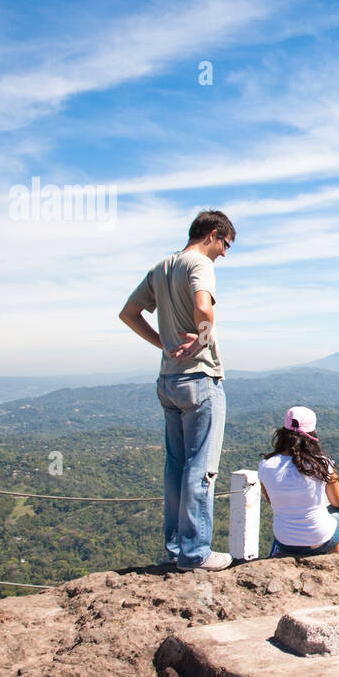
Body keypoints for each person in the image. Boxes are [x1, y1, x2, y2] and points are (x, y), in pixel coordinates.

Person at [119, 211, 235, 572]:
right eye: (226, 245)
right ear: (212, 234)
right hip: (199, 379)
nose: (225, 254)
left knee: (175, 466)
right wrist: (201, 342)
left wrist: (164, 344)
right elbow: (203, 307)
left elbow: (129, 313)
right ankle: (196, 552)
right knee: (201, 468)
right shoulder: (198, 263)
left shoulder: (161, 267)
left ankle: (176, 548)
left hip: (168, 381)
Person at [258, 406, 339, 560]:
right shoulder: (321, 464)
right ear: (312, 434)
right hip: (321, 540)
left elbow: (271, 500)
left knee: (285, 514)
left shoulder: (265, 465)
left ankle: (275, 553)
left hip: (284, 542)